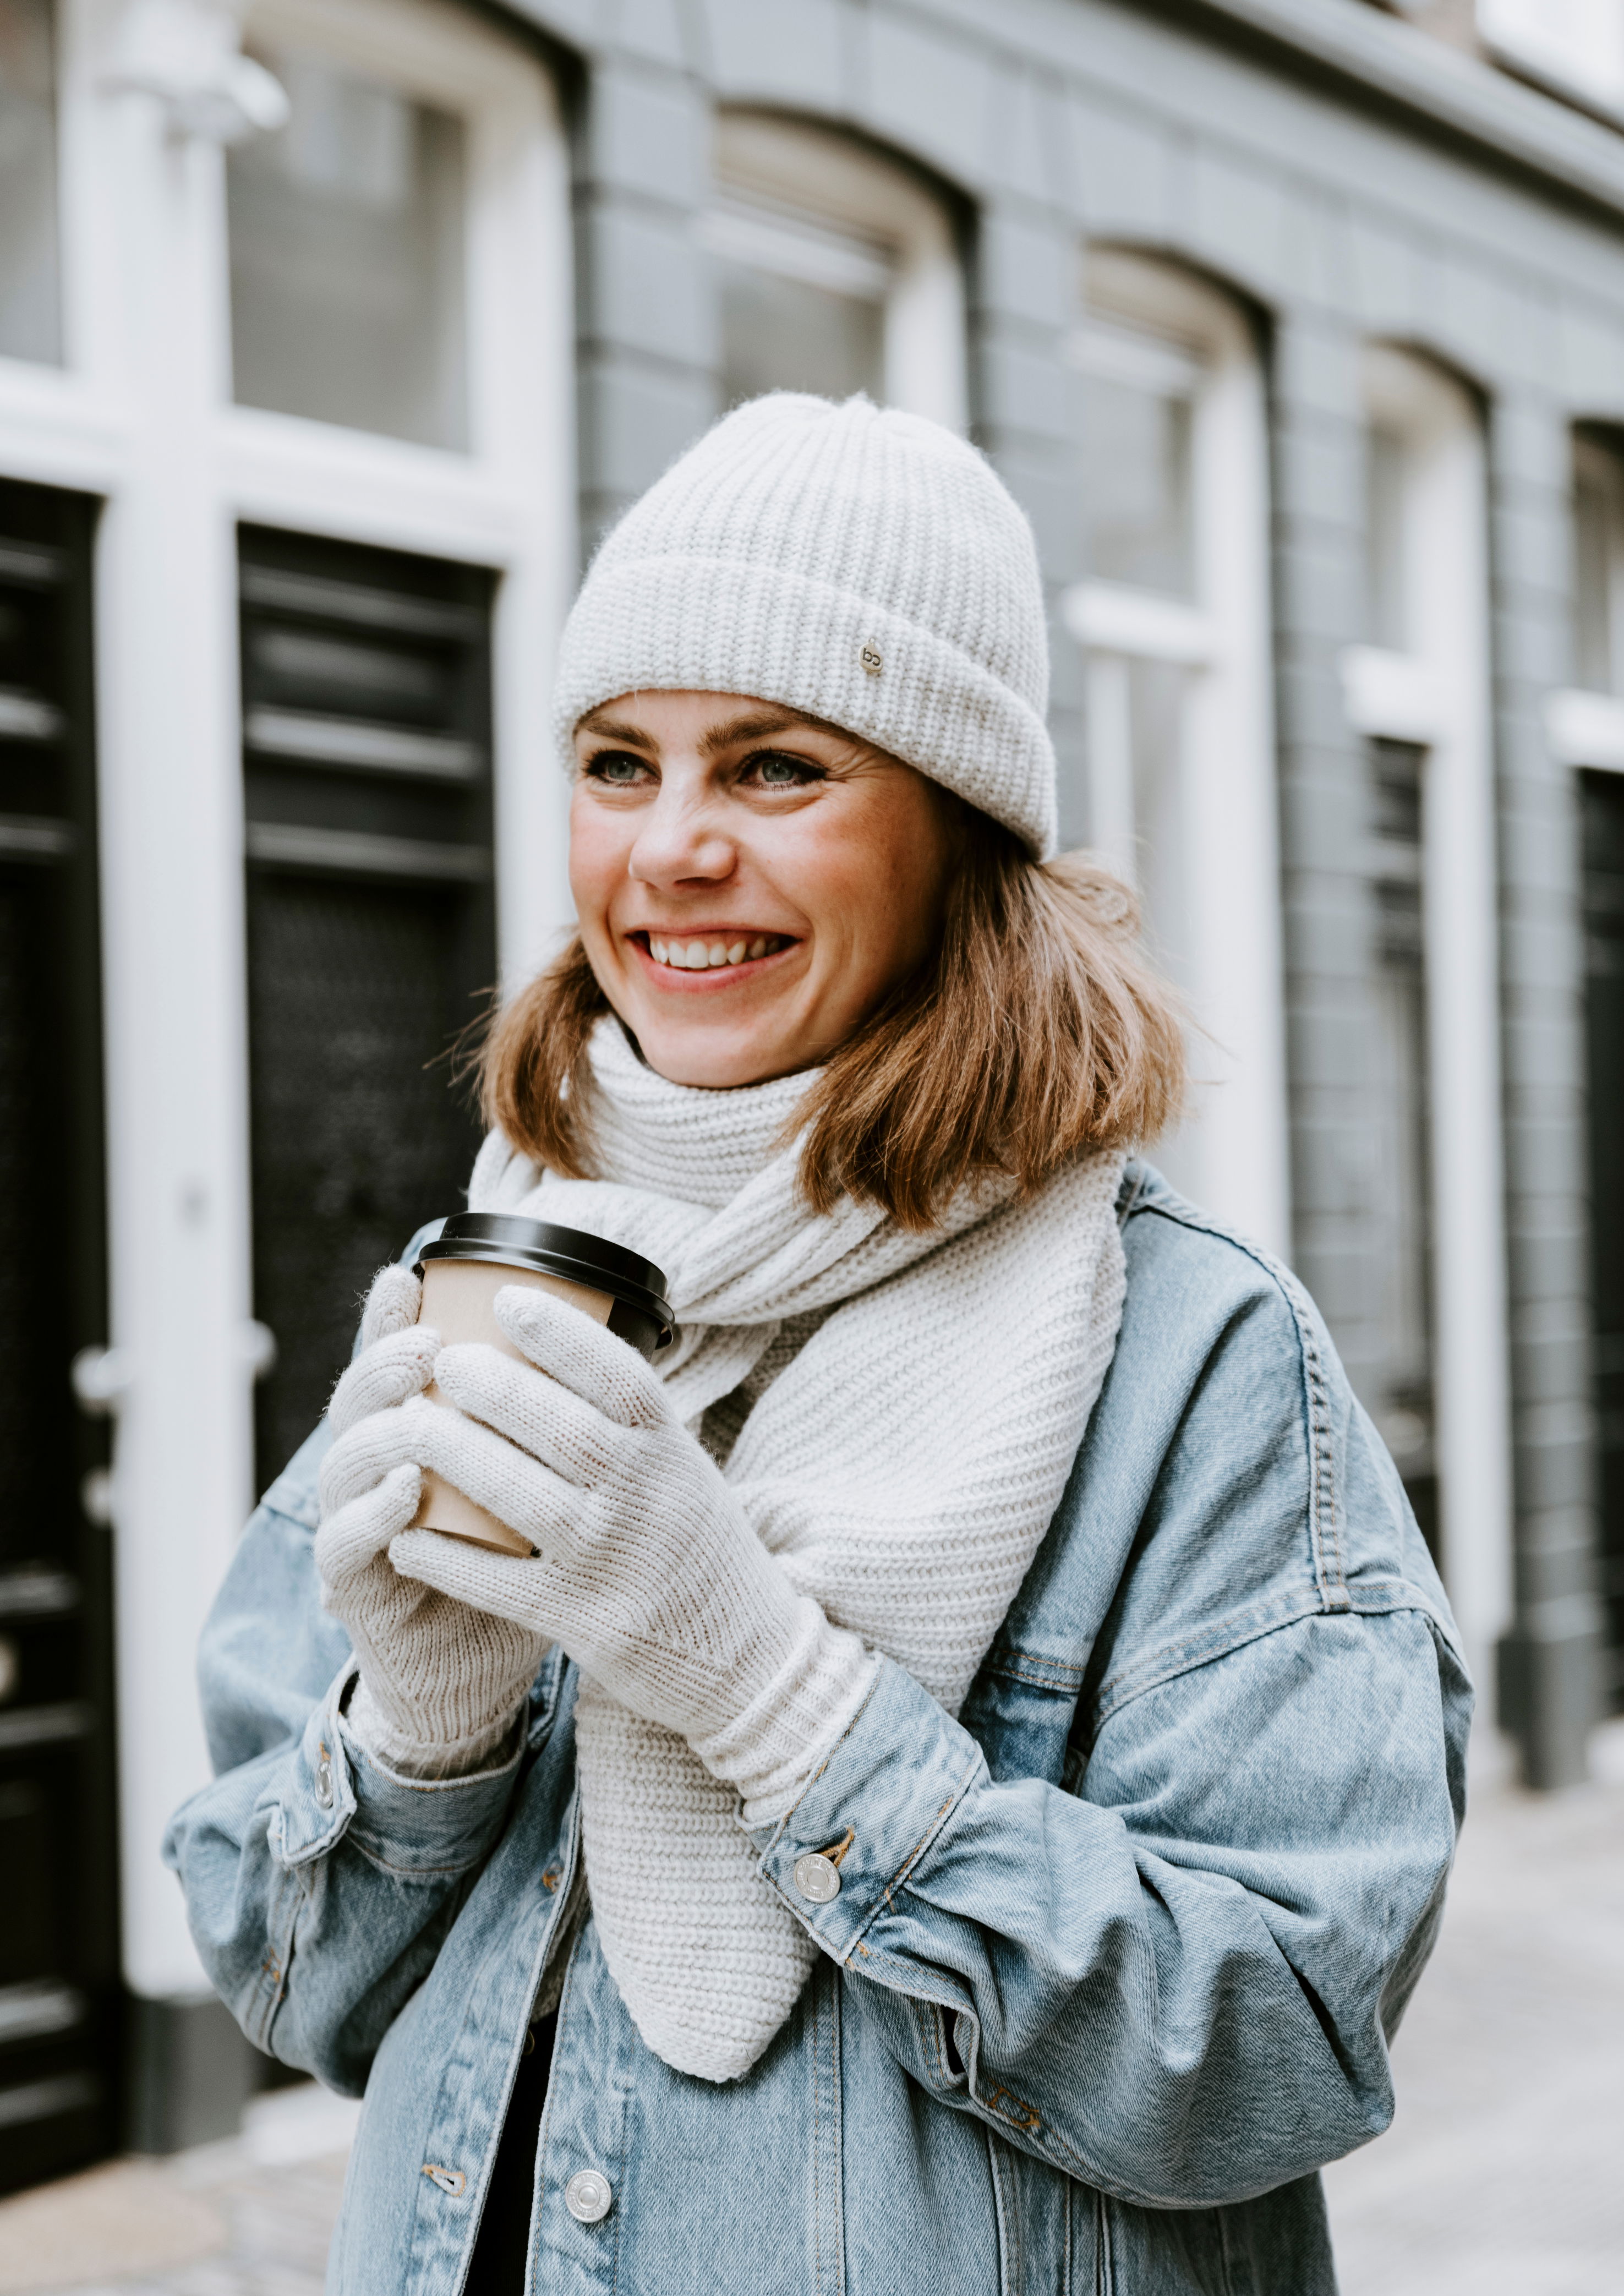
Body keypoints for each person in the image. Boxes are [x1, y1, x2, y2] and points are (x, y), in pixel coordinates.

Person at [166, 393, 1469, 2296]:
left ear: (955, 831)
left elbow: (1272, 2042)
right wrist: (424, 1736)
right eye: (621, 762)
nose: (673, 848)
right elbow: (289, 1982)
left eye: (776, 768)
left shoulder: (1189, 1357)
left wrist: (768, 1685)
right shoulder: (508, 1269)